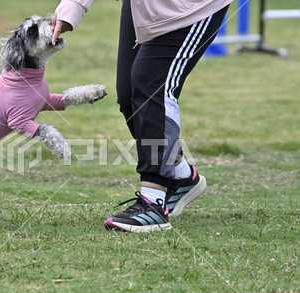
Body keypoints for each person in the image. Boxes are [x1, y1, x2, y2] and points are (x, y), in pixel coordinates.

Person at [52, 0, 233, 232]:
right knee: (130, 97)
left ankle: (153, 202)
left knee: (153, 87)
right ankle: (180, 176)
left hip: (192, 6)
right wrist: (73, 8)